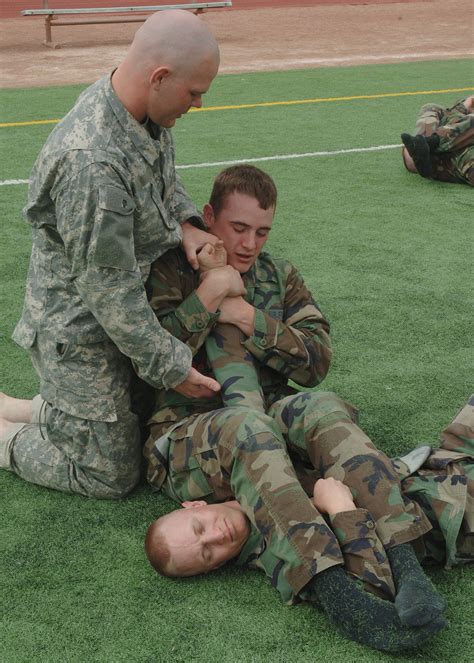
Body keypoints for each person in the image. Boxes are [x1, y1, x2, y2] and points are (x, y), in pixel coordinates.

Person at [142, 165, 448, 651]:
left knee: (320, 406)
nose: (249, 244)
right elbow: (151, 354)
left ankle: (408, 566)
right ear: (208, 217)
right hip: (189, 432)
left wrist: (248, 317)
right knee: (247, 426)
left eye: (262, 232)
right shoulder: (169, 271)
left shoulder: (278, 276)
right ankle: (338, 596)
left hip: (270, 411)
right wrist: (210, 292)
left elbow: (316, 362)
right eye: (238, 228)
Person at [0, 10, 223, 499]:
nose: (199, 102)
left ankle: (38, 409)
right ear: (160, 77)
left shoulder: (140, 109)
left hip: (122, 304)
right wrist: (171, 366)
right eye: (193, 92)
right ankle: (7, 436)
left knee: (140, 418)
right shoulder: (92, 162)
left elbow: (164, 176)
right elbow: (108, 293)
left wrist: (186, 223)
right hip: (77, 325)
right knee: (112, 471)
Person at [401, 95, 474, 185]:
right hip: (456, 138)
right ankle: (422, 145)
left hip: (462, 150)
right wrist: (464, 107)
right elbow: (453, 116)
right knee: (431, 107)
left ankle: (429, 144)